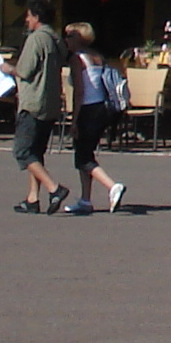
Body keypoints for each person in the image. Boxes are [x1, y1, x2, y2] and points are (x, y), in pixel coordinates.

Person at [62, 22, 129, 217]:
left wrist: (73, 120)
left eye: (70, 36)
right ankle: (85, 199)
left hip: (88, 109)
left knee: (83, 157)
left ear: (80, 38)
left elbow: (79, 92)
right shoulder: (97, 56)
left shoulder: (77, 59)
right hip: (102, 109)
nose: (66, 40)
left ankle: (112, 186)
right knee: (85, 153)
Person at [8, 4, 66, 215]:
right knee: (36, 152)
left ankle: (54, 188)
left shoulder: (36, 39)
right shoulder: (57, 39)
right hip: (50, 102)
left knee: (22, 151)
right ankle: (32, 198)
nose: (27, 20)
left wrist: (7, 69)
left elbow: (24, 70)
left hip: (33, 101)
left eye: (29, 16)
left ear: (37, 17)